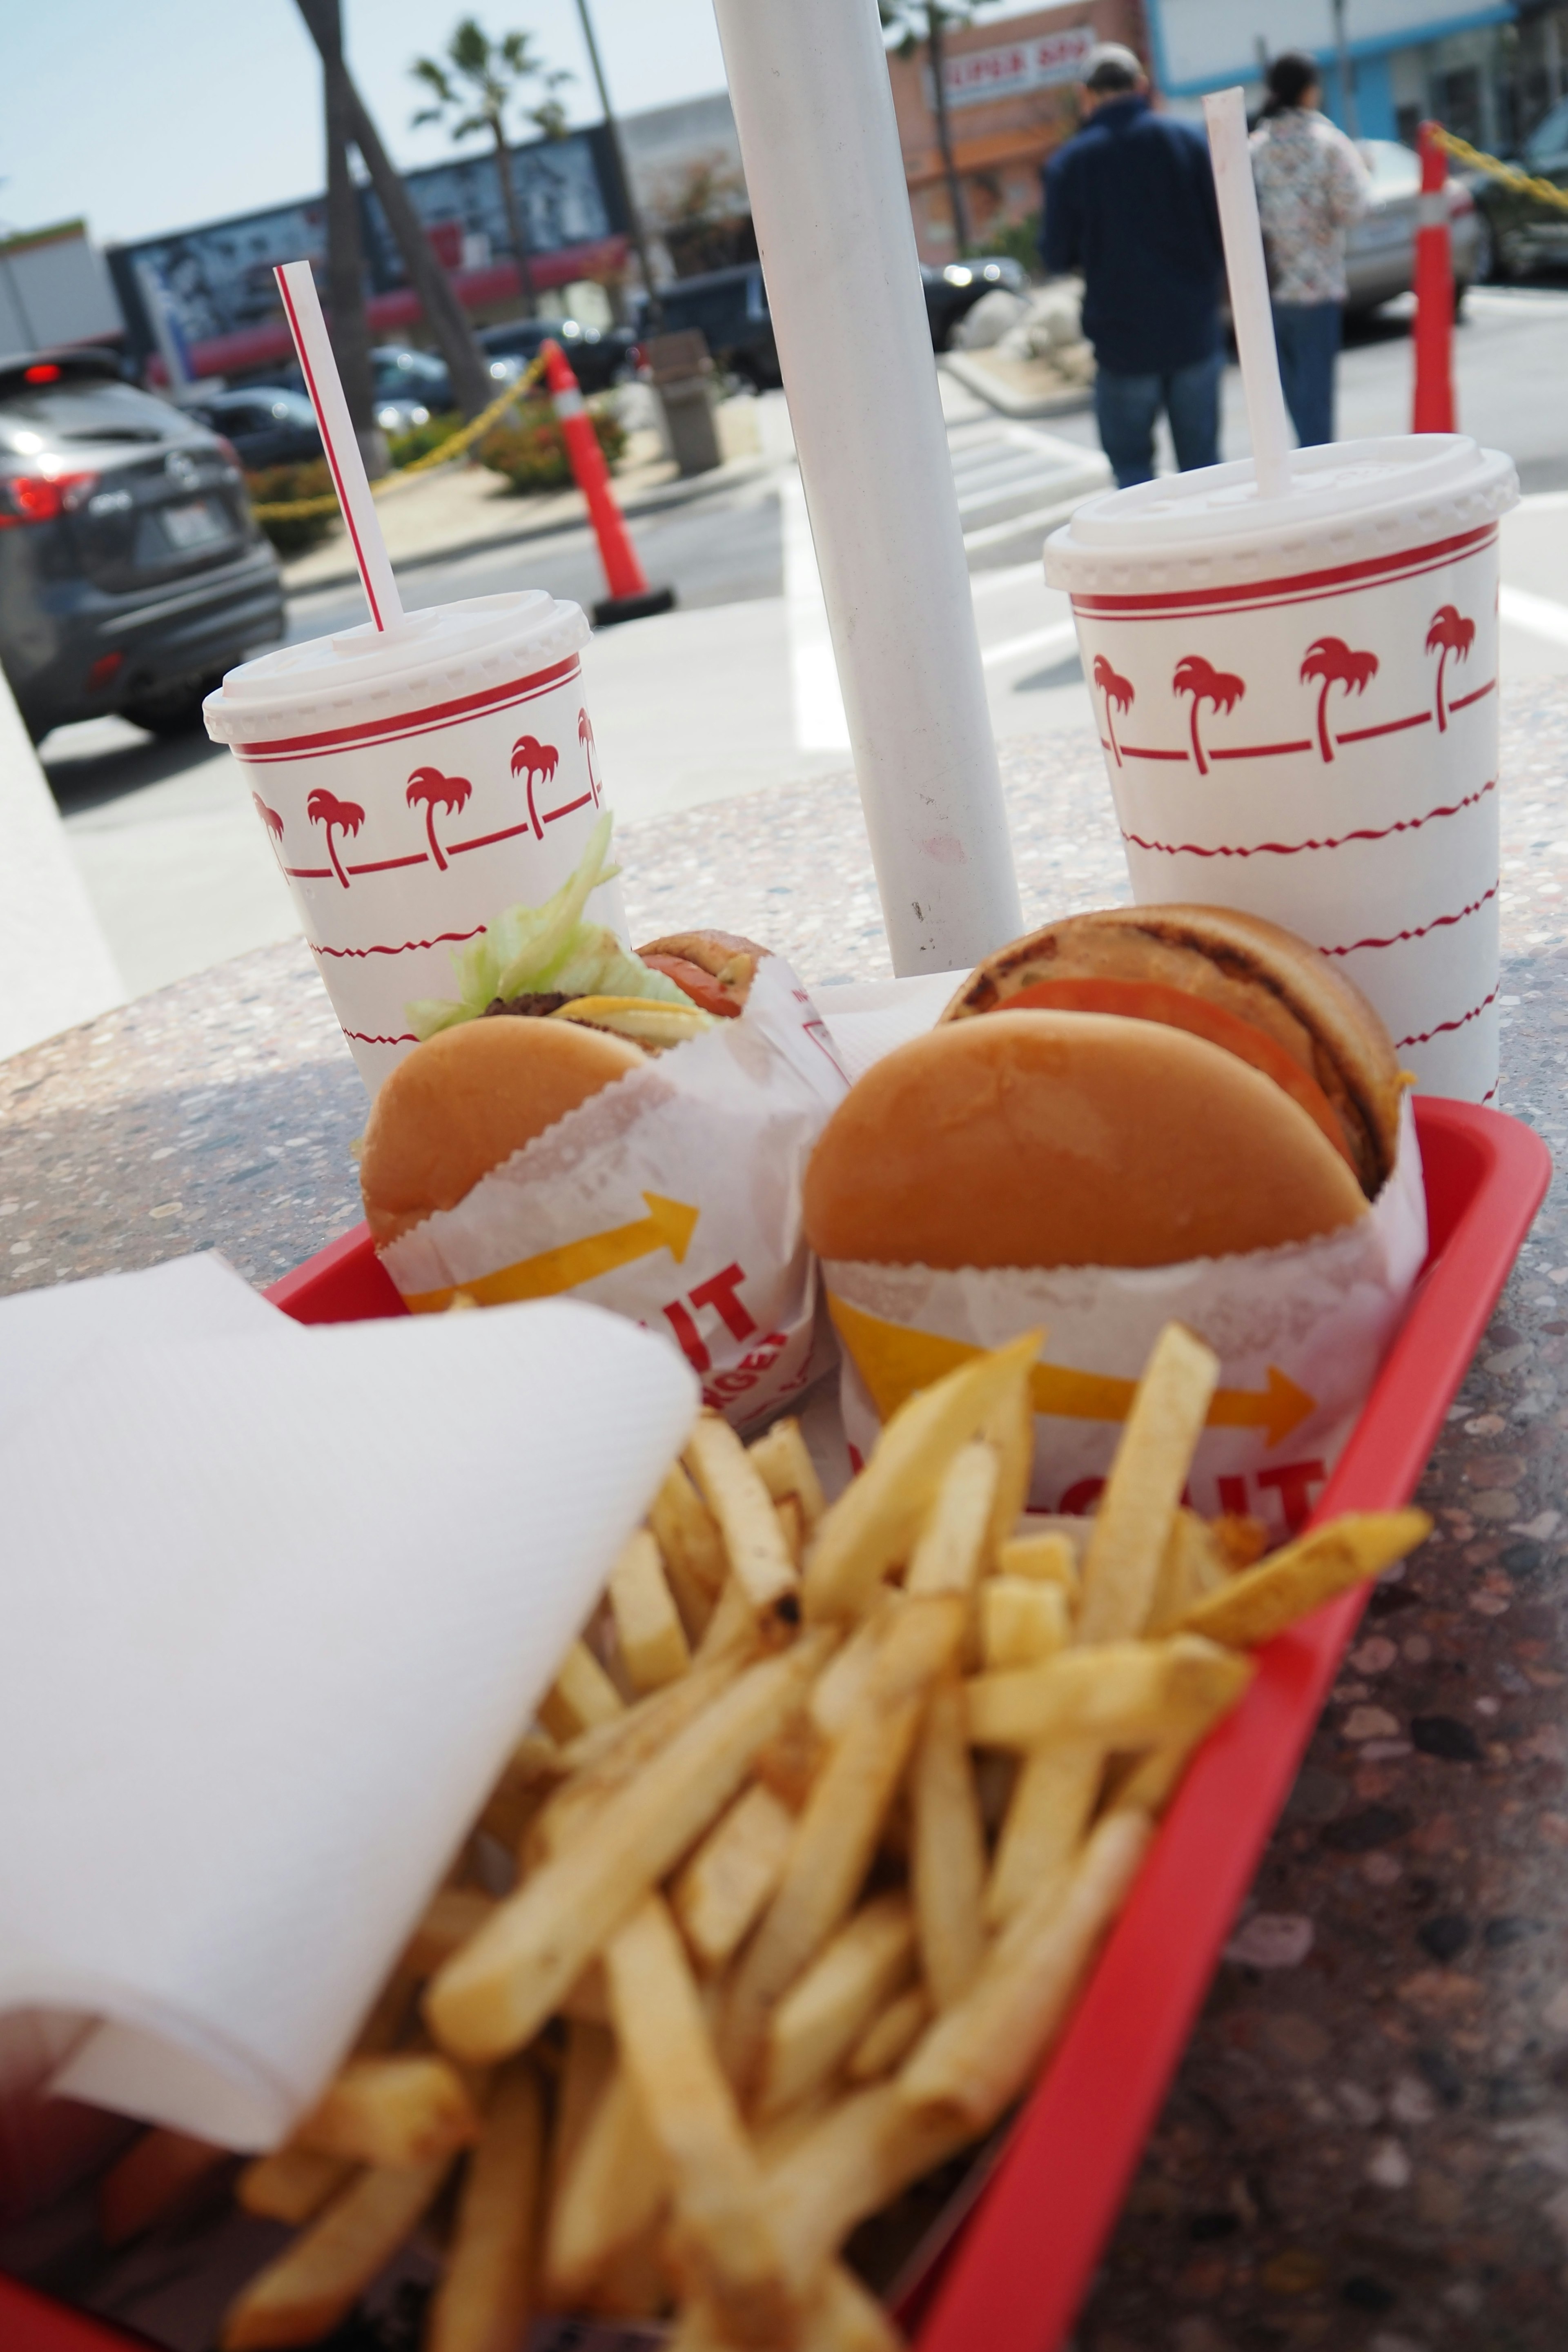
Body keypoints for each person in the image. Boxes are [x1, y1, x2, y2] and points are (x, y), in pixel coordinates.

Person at [1041, 42, 1225, 489]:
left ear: (1086, 95)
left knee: (1134, 479)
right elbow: (1229, 228)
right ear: (1142, 86)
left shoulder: (1069, 165)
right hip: (1193, 331)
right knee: (1205, 474)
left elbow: (1054, 256)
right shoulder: (1189, 143)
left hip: (1122, 341)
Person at [1250, 51, 1368, 448]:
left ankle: (1302, 472)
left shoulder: (1255, 148)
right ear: (1308, 90)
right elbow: (1352, 207)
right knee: (1317, 402)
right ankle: (1321, 482)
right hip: (1317, 286)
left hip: (1270, 288)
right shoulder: (1328, 143)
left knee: (1293, 400)